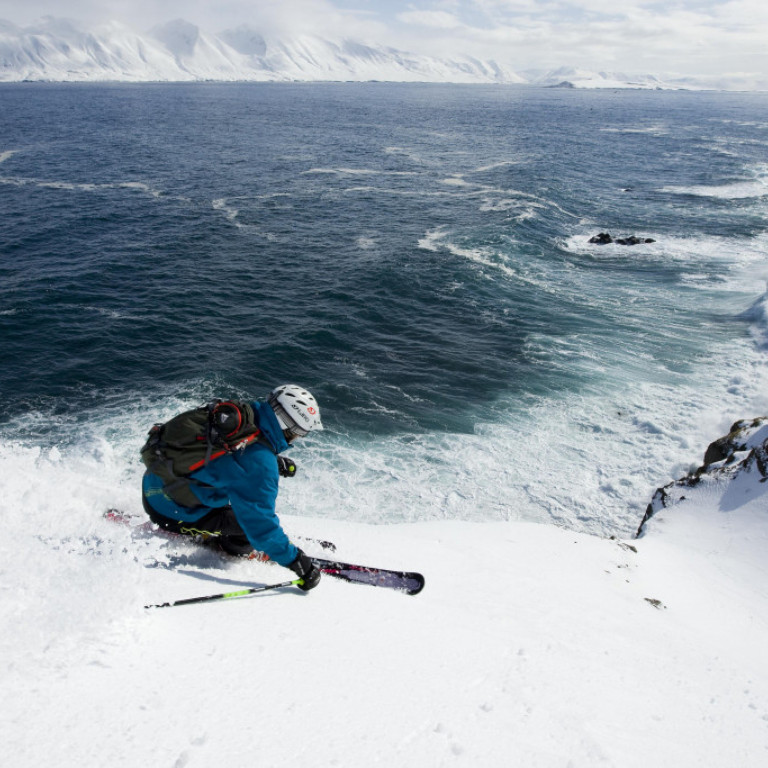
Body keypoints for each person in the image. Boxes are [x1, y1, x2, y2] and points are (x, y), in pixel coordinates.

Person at [141, 384, 323, 591]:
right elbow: (261, 528)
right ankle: (224, 547)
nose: (299, 438)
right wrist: (300, 564)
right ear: (288, 427)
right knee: (245, 529)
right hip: (171, 512)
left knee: (237, 503)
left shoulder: (238, 418)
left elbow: (225, 458)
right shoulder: (260, 466)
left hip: (155, 483)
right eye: (300, 432)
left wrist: (273, 460)